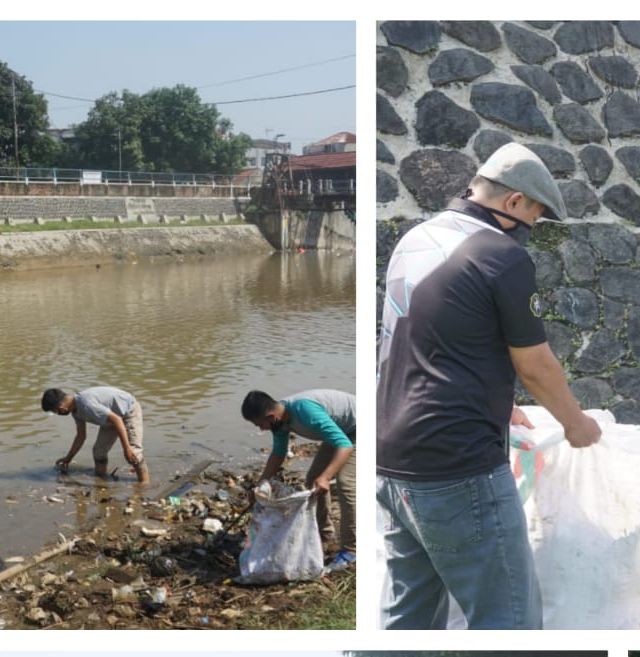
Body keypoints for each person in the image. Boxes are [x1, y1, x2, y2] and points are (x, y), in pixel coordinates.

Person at [376, 141, 603, 629]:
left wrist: (499, 404)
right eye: (534, 219)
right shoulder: (500, 254)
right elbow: (535, 365)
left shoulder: (417, 239)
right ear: (514, 201)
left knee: (408, 621)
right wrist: (575, 423)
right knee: (509, 623)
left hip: (391, 460)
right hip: (456, 465)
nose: (530, 234)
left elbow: (426, 339)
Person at [241, 389, 357, 572]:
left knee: (346, 484)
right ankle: (325, 534)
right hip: (341, 430)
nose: (261, 429)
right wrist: (261, 484)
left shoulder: (305, 411)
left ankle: (351, 550)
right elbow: (278, 454)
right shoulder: (279, 421)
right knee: (313, 480)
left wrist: (326, 477)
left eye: (260, 424)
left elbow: (345, 446)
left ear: (271, 416)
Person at [41, 385, 149, 482]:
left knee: (134, 454)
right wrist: (68, 458)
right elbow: (81, 436)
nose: (58, 413)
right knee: (99, 452)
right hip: (112, 418)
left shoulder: (86, 404)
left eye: (55, 411)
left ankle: (144, 485)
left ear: (61, 407)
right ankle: (101, 481)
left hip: (128, 411)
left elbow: (117, 420)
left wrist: (127, 448)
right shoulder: (76, 411)